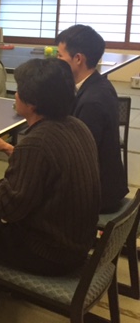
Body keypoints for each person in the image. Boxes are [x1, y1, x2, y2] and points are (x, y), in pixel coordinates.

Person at [0, 58, 101, 323]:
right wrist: (8, 148)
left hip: (49, 254)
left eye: (19, 90)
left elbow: (6, 208)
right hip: (76, 241)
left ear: (33, 104)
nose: (15, 95)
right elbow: (49, 166)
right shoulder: (76, 126)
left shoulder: (36, 143)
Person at [56, 24, 128, 213]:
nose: (57, 61)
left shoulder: (92, 102)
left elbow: (78, 158)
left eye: (60, 56)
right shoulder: (97, 83)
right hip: (105, 183)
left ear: (78, 59)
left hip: (98, 194)